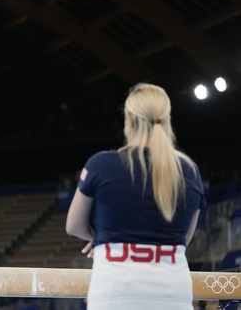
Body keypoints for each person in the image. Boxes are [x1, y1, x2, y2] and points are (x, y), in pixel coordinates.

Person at [66, 83, 206, 309]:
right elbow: (183, 239)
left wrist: (102, 237)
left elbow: (73, 226)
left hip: (116, 293)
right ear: (166, 119)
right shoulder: (188, 171)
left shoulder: (102, 164)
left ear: (128, 118)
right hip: (172, 294)